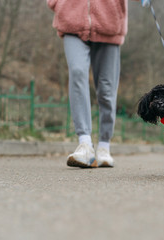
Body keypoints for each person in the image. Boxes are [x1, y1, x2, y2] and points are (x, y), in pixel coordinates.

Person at [47, 0, 150, 168]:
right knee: (77, 72)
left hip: (108, 23)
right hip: (72, 21)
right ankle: (85, 143)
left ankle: (104, 146)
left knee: (106, 90)